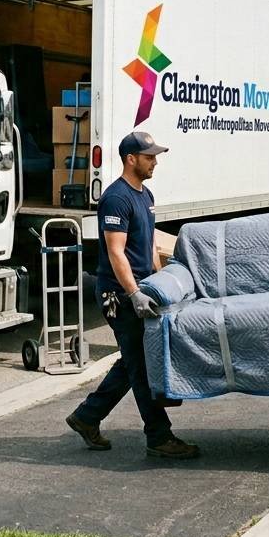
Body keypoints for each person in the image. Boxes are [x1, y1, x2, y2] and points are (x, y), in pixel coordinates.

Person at [66, 131, 200, 459]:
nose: (155, 161)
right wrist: (135, 293)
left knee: (131, 362)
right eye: (149, 156)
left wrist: (159, 281)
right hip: (119, 294)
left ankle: (86, 417)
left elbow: (151, 244)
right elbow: (116, 252)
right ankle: (158, 436)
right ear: (131, 159)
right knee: (141, 365)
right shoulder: (116, 198)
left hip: (143, 288)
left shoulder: (146, 195)